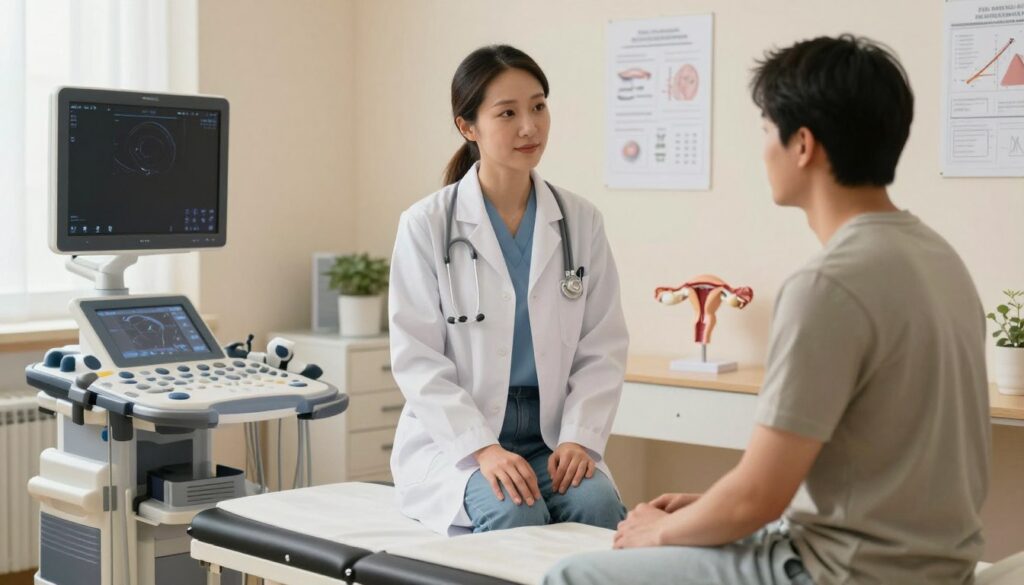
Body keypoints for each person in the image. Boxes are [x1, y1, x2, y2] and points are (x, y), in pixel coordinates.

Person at [546, 34, 990, 585]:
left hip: (845, 573)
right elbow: (862, 473)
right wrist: (710, 511)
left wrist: (657, 533)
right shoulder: (940, 259)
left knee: (572, 575)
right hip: (935, 568)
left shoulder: (828, 285)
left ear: (802, 145)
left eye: (763, 130)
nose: (761, 149)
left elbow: (756, 496)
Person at [388, 45, 629, 536]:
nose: (530, 127)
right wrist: (483, 448)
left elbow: (602, 345)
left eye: (539, 106)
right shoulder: (426, 225)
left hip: (551, 435)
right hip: (460, 437)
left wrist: (580, 439)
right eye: (508, 113)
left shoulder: (580, 221)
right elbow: (417, 358)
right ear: (468, 127)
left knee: (599, 506)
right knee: (512, 513)